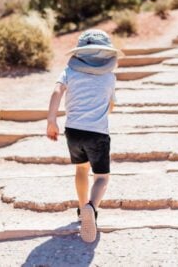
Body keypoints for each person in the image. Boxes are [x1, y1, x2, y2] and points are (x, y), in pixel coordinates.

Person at [46, 29, 121, 243]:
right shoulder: (109, 77)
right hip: (97, 133)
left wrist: (52, 120)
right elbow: (111, 107)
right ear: (106, 54)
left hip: (73, 132)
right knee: (102, 177)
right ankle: (92, 207)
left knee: (81, 169)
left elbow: (57, 91)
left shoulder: (69, 72)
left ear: (80, 53)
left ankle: (81, 210)